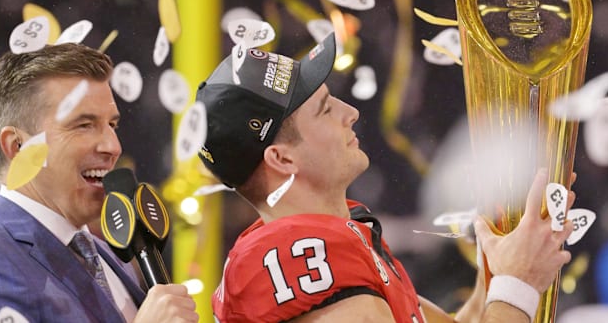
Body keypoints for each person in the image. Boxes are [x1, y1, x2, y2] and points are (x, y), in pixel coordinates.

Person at [197, 33, 575, 322]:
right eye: (325, 109)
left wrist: (498, 268)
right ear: (281, 157)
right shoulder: (301, 259)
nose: (350, 112)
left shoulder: (340, 232)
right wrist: (517, 285)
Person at [0, 43, 199, 323]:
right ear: (17, 147)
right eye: (84, 125)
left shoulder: (107, 250)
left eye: (112, 125)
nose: (113, 146)